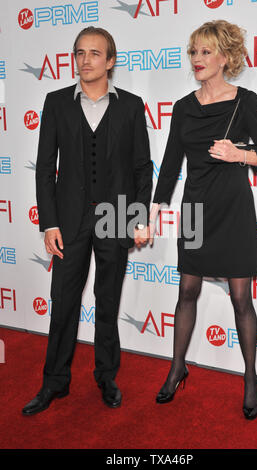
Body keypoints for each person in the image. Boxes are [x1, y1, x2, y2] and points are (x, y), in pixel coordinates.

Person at [149, 20, 257, 420]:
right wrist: (153, 209)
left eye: (206, 52)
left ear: (226, 57)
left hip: (233, 209)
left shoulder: (247, 101)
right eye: (193, 52)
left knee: (242, 298)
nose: (197, 60)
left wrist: (239, 153)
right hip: (195, 209)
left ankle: (251, 377)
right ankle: (177, 367)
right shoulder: (184, 107)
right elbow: (171, 165)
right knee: (186, 291)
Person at [22, 27, 152, 416]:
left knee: (107, 301)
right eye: (80, 53)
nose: (86, 60)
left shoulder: (130, 105)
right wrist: (49, 223)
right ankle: (54, 382)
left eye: (95, 53)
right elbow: (45, 169)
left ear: (110, 61)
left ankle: (106, 377)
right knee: (63, 303)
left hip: (116, 219)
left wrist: (137, 218)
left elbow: (143, 169)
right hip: (68, 221)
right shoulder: (57, 102)